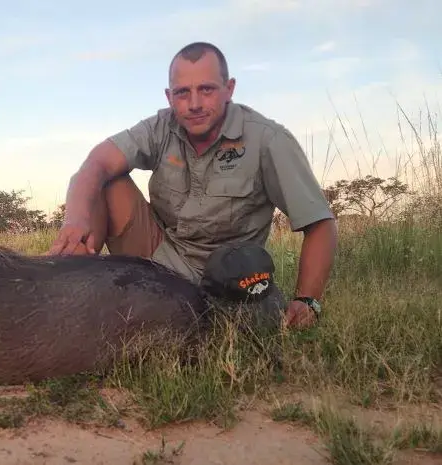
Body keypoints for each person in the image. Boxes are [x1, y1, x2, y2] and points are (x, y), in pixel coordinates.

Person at [47, 42, 338, 330]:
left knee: (251, 327)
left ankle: (152, 306)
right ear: (169, 96)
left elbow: (320, 224)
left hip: (225, 278)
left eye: (207, 89)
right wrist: (76, 219)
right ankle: (73, 289)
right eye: (182, 92)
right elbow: (96, 163)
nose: (195, 104)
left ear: (229, 89)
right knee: (108, 181)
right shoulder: (161, 126)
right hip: (159, 257)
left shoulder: (269, 140)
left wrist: (307, 299)